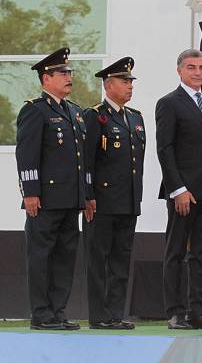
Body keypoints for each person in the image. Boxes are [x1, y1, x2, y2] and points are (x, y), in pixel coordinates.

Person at [15, 47, 90, 330]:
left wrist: (85, 195)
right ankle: (41, 314)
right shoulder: (35, 110)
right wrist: (30, 193)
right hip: (45, 200)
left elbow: (81, 159)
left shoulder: (73, 112)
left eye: (70, 72)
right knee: (41, 257)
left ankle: (58, 311)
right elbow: (27, 154)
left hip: (71, 200)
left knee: (64, 258)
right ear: (46, 78)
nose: (69, 77)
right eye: (63, 73)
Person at [156, 49, 202, 330]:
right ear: (179, 71)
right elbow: (165, 150)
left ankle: (198, 312)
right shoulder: (169, 103)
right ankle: (175, 312)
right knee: (175, 253)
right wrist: (178, 189)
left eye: (201, 67)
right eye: (191, 67)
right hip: (183, 196)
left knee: (201, 255)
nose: (197, 72)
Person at [83, 57, 145, 329]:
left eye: (131, 81)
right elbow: (86, 160)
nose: (130, 86)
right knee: (99, 260)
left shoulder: (134, 118)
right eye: (124, 81)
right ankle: (99, 316)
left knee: (121, 259)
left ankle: (116, 314)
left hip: (128, 201)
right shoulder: (95, 115)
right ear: (109, 85)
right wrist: (87, 195)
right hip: (102, 202)